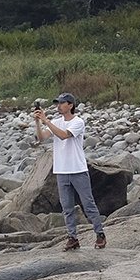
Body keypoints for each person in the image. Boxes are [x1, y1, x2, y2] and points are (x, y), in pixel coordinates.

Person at [35, 92, 103, 250]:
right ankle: (72, 237)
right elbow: (41, 138)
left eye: (62, 103)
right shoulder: (57, 121)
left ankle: (99, 233)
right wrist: (38, 123)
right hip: (61, 171)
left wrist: (46, 120)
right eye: (58, 103)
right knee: (67, 207)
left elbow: (64, 135)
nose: (59, 105)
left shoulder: (78, 122)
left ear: (70, 105)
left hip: (78, 169)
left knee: (88, 204)